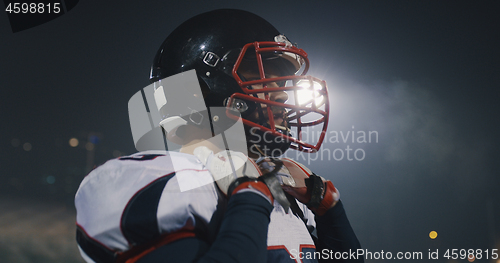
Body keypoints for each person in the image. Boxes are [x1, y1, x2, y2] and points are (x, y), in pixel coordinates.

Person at [75, 9, 363, 263]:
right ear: (201, 87)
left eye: (281, 81)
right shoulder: (156, 184)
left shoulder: (290, 192)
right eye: (259, 74)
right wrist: (249, 195)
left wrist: (327, 207)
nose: (281, 93)